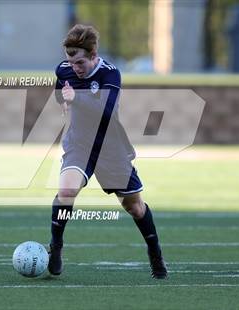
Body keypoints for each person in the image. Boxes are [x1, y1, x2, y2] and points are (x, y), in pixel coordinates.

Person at [48, 24, 168, 279]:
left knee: (135, 207)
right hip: (79, 143)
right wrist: (64, 102)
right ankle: (56, 247)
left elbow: (107, 111)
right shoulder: (63, 69)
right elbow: (61, 94)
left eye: (80, 62)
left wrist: (75, 99)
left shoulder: (110, 75)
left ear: (93, 55)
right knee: (66, 190)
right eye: (71, 62)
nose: (75, 68)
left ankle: (155, 251)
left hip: (110, 147)